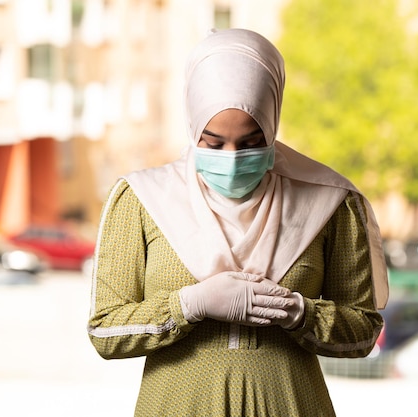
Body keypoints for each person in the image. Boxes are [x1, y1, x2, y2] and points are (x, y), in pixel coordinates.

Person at [87, 28, 389, 417]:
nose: (231, 156)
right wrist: (190, 304)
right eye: (212, 143)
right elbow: (105, 332)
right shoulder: (143, 199)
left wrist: (299, 312)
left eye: (250, 143)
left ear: (273, 122)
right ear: (193, 126)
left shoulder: (329, 202)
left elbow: (363, 332)